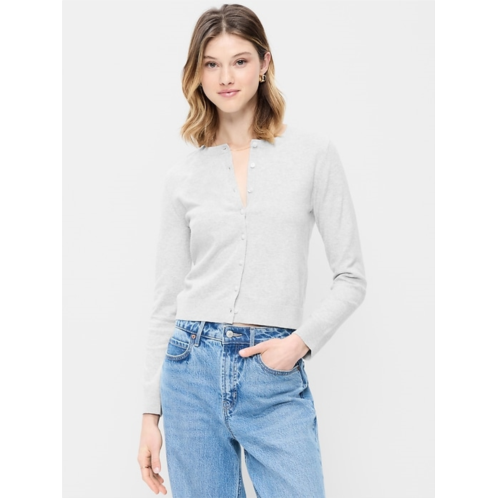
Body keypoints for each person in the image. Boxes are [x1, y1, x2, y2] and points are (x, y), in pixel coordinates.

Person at [137, 4, 366, 497]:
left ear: (264, 64)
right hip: (189, 370)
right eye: (212, 64)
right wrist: (150, 416)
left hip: (272, 372)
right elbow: (165, 301)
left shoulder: (312, 154)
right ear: (197, 73)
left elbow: (351, 278)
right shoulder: (182, 177)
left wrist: (297, 345)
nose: (226, 77)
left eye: (239, 61)